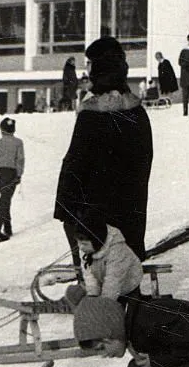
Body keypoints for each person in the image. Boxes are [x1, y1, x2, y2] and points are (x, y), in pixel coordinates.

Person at [54, 35, 154, 274]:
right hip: (130, 208)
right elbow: (145, 159)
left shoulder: (92, 115)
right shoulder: (137, 112)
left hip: (94, 212)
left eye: (90, 64)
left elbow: (75, 163)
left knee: (98, 272)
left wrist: (65, 203)